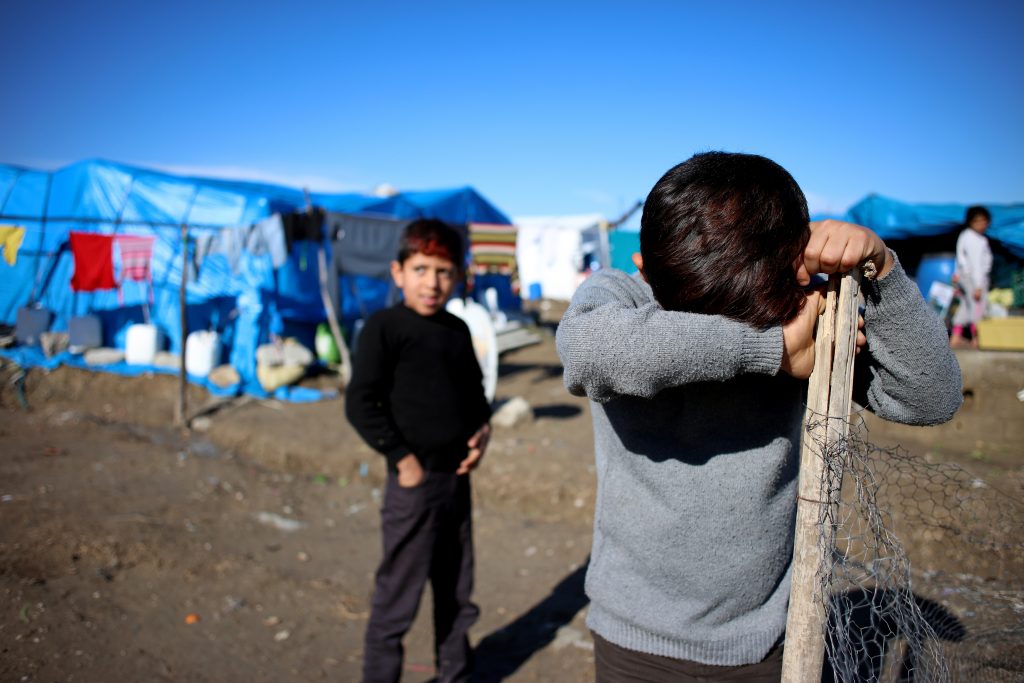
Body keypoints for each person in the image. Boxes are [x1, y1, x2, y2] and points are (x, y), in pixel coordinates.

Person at [555, 151, 962, 682]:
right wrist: (768, 349)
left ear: (793, 267)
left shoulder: (798, 311)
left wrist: (882, 270)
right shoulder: (622, 295)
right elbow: (587, 353)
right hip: (635, 637)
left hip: (768, 640)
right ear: (646, 267)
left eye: (742, 311)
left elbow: (930, 396)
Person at [346, 218, 492, 683]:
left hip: (456, 483)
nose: (432, 282)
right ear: (398, 271)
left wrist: (482, 433)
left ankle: (456, 674)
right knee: (397, 599)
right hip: (413, 487)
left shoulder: (456, 329)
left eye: (444, 271)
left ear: (458, 275)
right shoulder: (384, 328)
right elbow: (360, 404)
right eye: (422, 268)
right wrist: (402, 460)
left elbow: (474, 394)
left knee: (455, 592)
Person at [950, 205, 993, 348]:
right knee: (977, 308)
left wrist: (957, 275)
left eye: (983, 221)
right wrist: (978, 286)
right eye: (977, 221)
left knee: (965, 306)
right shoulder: (976, 240)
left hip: (963, 277)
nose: (981, 225)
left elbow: (960, 258)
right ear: (970, 222)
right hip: (974, 280)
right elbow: (976, 265)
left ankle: (955, 337)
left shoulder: (964, 236)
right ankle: (977, 339)